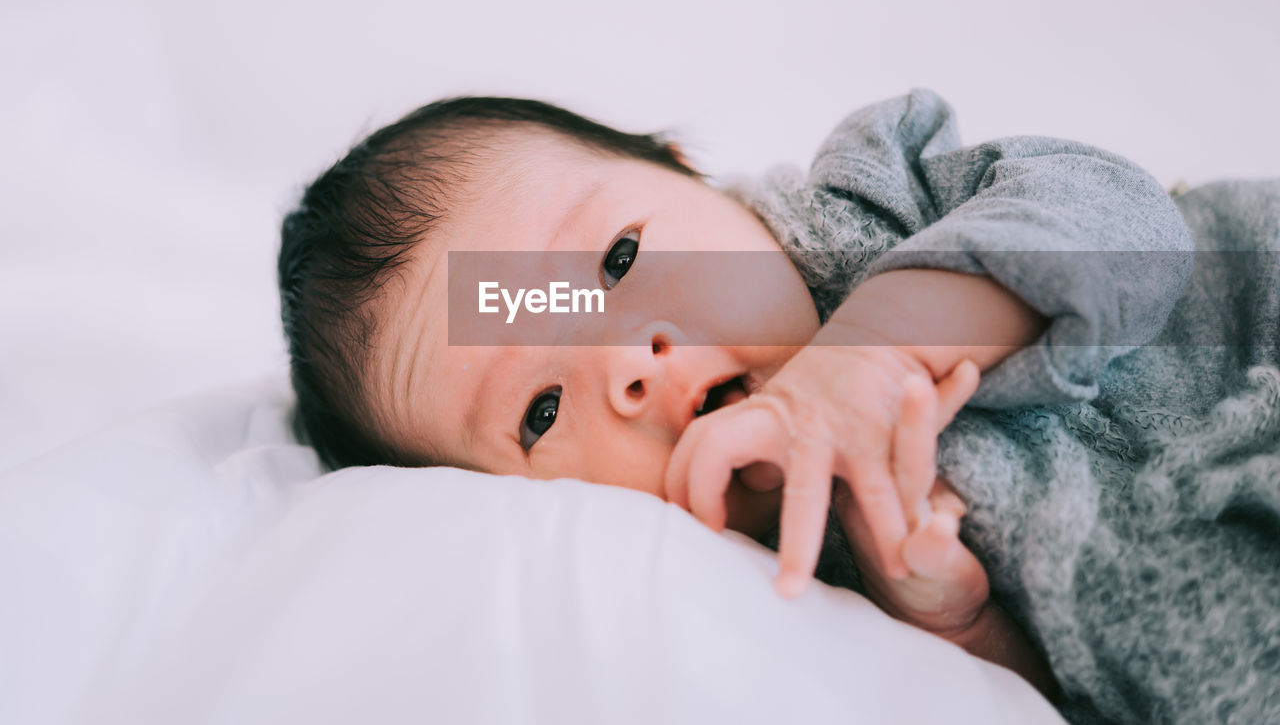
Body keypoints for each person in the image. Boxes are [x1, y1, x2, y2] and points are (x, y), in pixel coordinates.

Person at [279, 90, 1279, 724]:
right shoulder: (798, 585)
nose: (630, 365)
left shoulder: (871, 202)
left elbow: (1120, 216)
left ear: (686, 173)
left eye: (616, 259)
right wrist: (962, 626)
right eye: (538, 410)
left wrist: (868, 350)